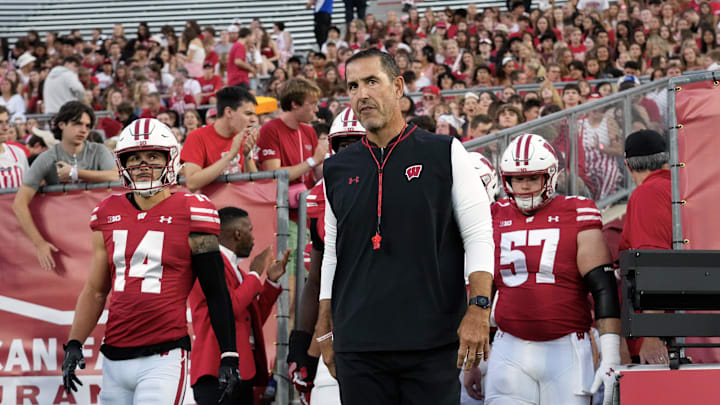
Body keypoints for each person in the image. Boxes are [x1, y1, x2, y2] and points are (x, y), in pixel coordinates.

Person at [316, 48, 494, 405]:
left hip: (430, 341)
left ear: (398, 87)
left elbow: (478, 236)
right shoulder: (336, 169)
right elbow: (333, 252)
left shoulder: (445, 152)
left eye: (371, 82)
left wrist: (478, 309)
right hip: (358, 343)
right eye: (353, 86)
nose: (361, 94)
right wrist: (324, 327)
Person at [60, 118, 240, 404]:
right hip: (114, 355)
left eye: (153, 156)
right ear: (123, 163)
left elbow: (215, 290)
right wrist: (74, 342)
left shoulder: (192, 210)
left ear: (170, 158)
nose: (144, 165)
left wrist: (229, 352)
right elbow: (96, 289)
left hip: (164, 355)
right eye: (135, 158)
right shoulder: (107, 211)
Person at [484, 134, 621, 405]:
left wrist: (612, 355)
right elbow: (481, 286)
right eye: (517, 179)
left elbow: (603, 287)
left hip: (565, 348)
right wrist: (472, 362)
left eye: (532, 178)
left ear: (550, 177)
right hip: (507, 346)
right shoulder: (494, 214)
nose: (524, 186)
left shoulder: (578, 212)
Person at [288, 107, 366, 405]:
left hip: (391, 326)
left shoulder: (401, 186)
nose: (351, 152)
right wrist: (301, 345)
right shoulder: (324, 193)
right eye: (344, 145)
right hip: (339, 330)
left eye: (358, 142)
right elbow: (317, 279)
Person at [190, 207, 290, 405]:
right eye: (250, 230)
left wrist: (270, 283)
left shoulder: (239, 273)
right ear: (237, 233)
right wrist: (255, 274)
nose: (253, 238)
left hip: (243, 372)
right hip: (214, 370)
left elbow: (252, 319)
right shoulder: (208, 264)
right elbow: (228, 307)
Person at [12, 101, 118, 271]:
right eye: (77, 124)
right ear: (61, 124)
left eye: (87, 125)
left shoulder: (98, 150)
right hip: (65, 237)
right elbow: (19, 203)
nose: (83, 129)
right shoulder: (48, 157)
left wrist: (76, 173)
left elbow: (117, 176)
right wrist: (39, 243)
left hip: (101, 233)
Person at [619, 129, 671, 365]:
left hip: (668, 333)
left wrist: (652, 335)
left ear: (628, 166)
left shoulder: (647, 194)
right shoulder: (685, 189)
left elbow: (653, 263)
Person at [181, 86, 259, 193]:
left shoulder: (243, 138)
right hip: (211, 206)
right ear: (229, 112)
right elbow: (192, 183)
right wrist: (230, 156)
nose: (252, 119)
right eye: (248, 114)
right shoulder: (197, 137)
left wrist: (247, 156)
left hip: (240, 204)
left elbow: (254, 185)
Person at [0, 106, 28, 189]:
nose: (5, 128)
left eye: (6, 122)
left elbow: (27, 186)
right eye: (0, 123)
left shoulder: (18, 153)